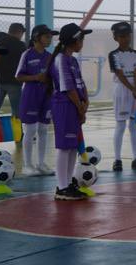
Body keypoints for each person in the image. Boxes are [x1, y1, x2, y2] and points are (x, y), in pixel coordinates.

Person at [49, 23, 92, 201]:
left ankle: (68, 183)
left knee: (73, 146)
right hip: (64, 106)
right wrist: (80, 108)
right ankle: (62, 187)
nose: (83, 42)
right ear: (74, 41)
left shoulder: (72, 60)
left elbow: (80, 84)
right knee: (64, 147)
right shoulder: (61, 59)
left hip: (74, 106)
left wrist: (85, 102)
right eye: (81, 39)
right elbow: (68, 88)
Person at [14, 25, 57, 176]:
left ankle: (41, 163)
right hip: (31, 95)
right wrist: (35, 77)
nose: (50, 39)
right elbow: (18, 76)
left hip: (46, 96)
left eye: (51, 37)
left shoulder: (50, 56)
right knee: (31, 130)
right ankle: (28, 165)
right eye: (47, 36)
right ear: (36, 37)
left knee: (43, 129)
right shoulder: (27, 54)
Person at [107, 22, 136, 172]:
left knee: (134, 125)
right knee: (120, 125)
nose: (125, 39)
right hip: (121, 91)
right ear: (115, 38)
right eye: (122, 36)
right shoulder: (114, 55)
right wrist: (132, 89)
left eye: (127, 35)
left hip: (135, 91)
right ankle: (117, 160)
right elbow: (119, 73)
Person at [0, 22, 27, 121]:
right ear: (19, 32)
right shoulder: (21, 45)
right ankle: (18, 129)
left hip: (0, 81)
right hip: (15, 82)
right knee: (17, 111)